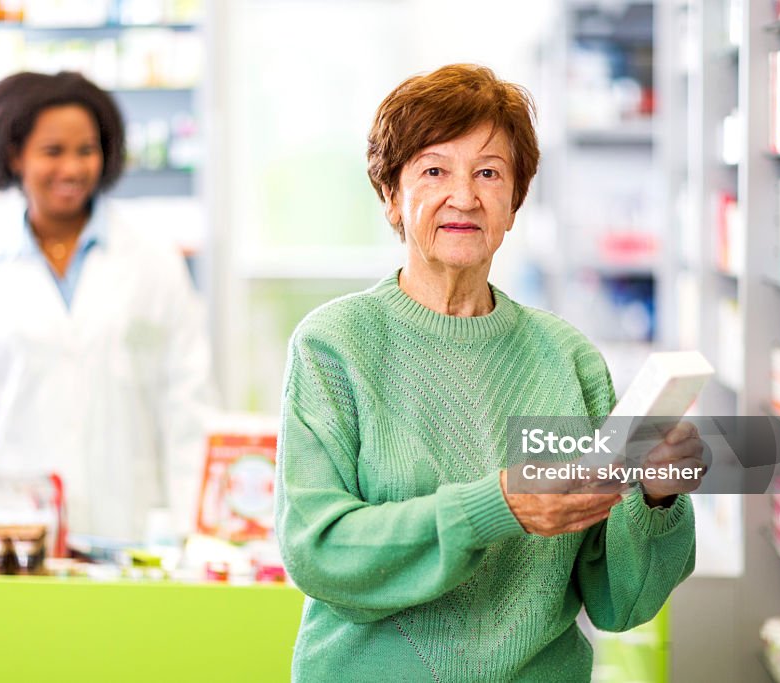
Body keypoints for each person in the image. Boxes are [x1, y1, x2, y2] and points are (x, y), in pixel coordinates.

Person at [275, 64, 704, 681]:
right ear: (391, 197)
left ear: (514, 201)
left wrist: (658, 498)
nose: (464, 196)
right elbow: (320, 551)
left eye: (488, 172)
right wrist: (495, 506)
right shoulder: (334, 345)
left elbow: (618, 602)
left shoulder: (569, 359)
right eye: (433, 171)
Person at [0, 72, 215, 542]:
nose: (73, 169)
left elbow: (187, 403)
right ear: (15, 155)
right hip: (14, 529)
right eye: (53, 151)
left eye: (87, 150)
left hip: (133, 526)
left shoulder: (154, 261)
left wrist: (190, 527)